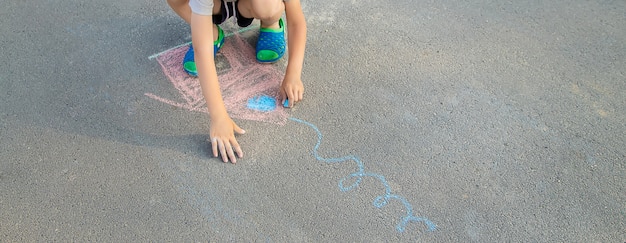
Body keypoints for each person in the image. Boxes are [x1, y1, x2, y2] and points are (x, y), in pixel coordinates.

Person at [166, 0, 307, 163]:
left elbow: (296, 21)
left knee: (268, 7)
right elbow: (201, 51)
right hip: (217, 4)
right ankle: (211, 34)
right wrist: (218, 117)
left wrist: (293, 74)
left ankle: (271, 23)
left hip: (253, 4)